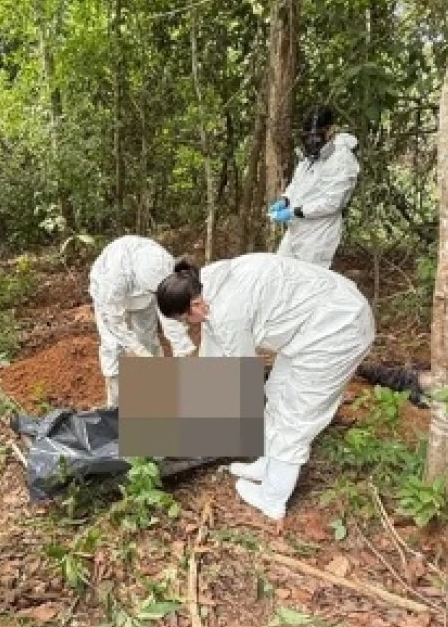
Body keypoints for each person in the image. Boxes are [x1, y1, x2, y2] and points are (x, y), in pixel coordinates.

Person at [156, 253, 375, 521]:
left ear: (196, 306)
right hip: (313, 322)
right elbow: (213, 351)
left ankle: (272, 498)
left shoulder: (227, 313)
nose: (184, 326)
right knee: (277, 391)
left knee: (295, 416)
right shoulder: (206, 280)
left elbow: (239, 376)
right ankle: (269, 466)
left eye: (182, 320)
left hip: (338, 329)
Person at [89, 235, 196, 406]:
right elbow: (114, 323)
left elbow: (170, 311)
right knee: (113, 348)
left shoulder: (164, 265)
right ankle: (115, 407)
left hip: (145, 298)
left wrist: (182, 348)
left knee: (147, 341)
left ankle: (152, 400)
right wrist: (137, 351)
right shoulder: (111, 280)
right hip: (110, 299)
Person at [267, 105, 359, 269]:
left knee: (307, 285)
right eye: (308, 137)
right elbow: (298, 184)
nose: (312, 141)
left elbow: (332, 203)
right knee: (280, 272)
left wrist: (294, 212)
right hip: (296, 230)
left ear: (330, 130)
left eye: (316, 136)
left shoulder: (342, 160)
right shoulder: (310, 157)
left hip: (318, 236)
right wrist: (286, 200)